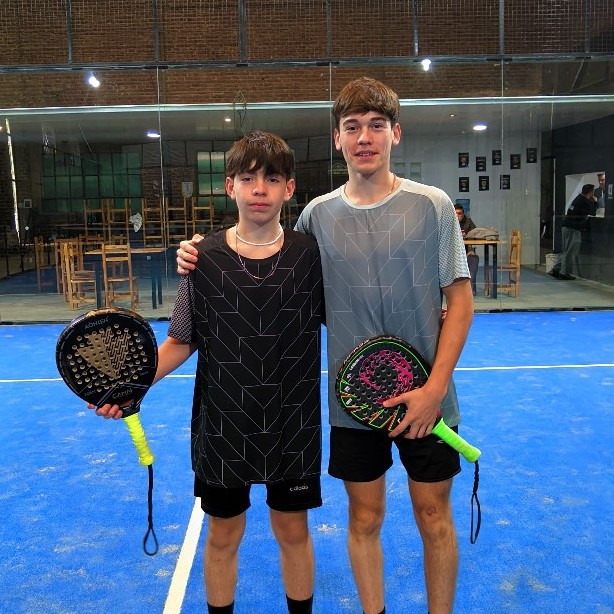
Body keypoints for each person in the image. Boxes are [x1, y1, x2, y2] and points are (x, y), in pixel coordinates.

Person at [177, 77, 474, 614]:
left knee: (434, 518)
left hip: (429, 399)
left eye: (377, 126)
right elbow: (268, 261)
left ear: (395, 133)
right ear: (338, 138)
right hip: (351, 405)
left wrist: (434, 389)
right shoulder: (316, 217)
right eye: (352, 127)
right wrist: (202, 252)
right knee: (364, 518)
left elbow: (460, 302)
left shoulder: (432, 205)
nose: (365, 137)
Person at [93, 131, 323, 614]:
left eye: (272, 179)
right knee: (222, 534)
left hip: (293, 424)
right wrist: (130, 386)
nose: (259, 189)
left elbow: (347, 320)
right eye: (248, 178)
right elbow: (181, 340)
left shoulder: (310, 255)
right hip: (223, 425)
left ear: (289, 188)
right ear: (229, 186)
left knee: (293, 530)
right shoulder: (201, 259)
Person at [550, 183, 598, 280]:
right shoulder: (584, 201)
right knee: (571, 251)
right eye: (593, 191)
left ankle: (557, 268)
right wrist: (595, 202)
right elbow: (593, 212)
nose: (594, 193)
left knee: (567, 251)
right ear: (590, 192)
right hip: (573, 229)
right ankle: (564, 273)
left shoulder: (578, 198)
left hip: (567, 227)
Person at [455, 204, 479, 295]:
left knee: (473, 259)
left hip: (467, 250)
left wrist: (467, 235)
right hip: (454, 252)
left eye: (460, 213)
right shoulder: (450, 222)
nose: (458, 215)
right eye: (456, 213)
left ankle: (471, 288)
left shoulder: (468, 221)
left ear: (463, 213)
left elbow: (476, 234)